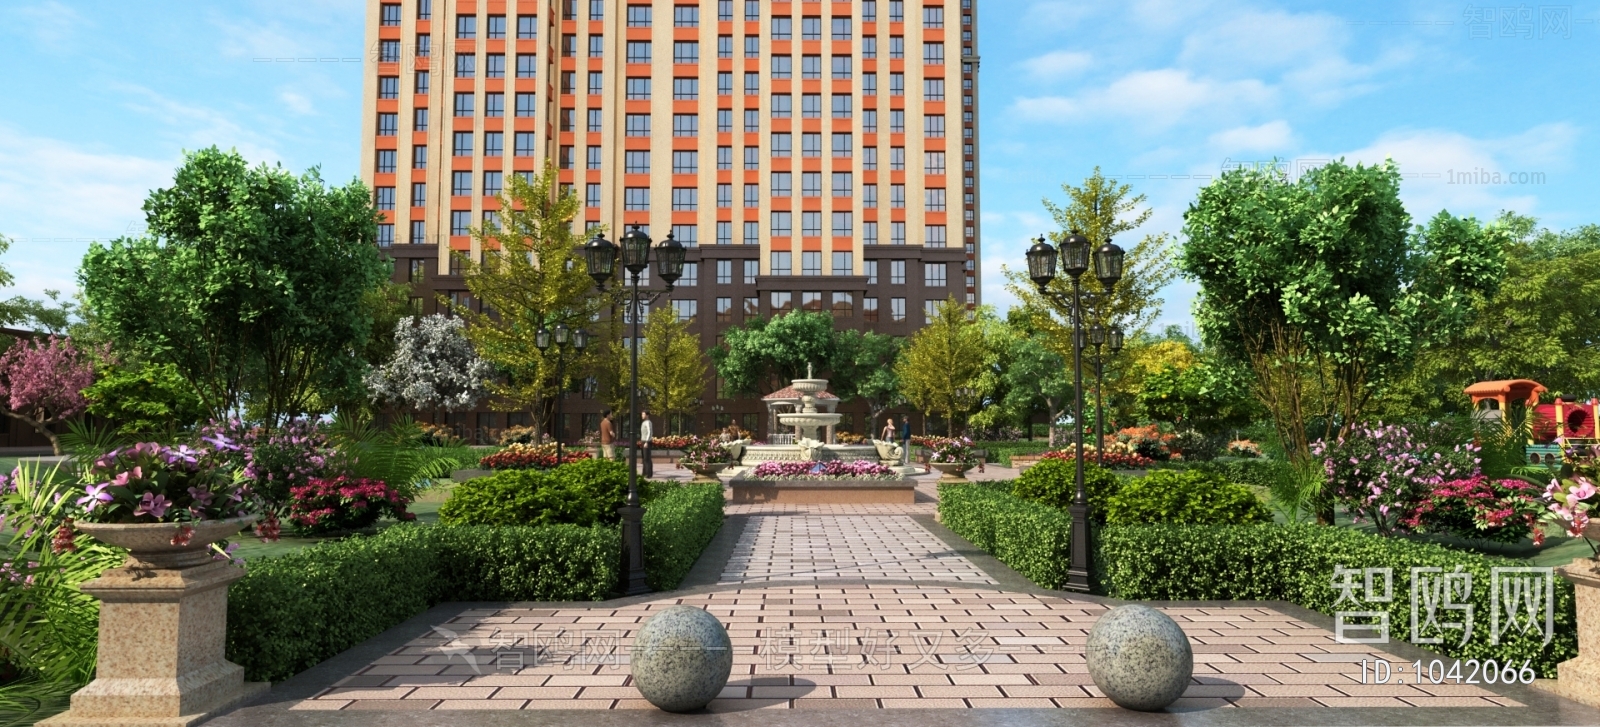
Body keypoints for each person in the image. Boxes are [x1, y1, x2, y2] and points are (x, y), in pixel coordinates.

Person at [639, 410, 654, 477]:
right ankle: (644, 472)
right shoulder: (644, 422)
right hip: (643, 441)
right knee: (644, 458)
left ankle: (649, 473)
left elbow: (649, 432)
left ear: (647, 415)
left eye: (643, 414)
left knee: (647, 458)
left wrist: (647, 442)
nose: (642, 416)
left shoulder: (648, 422)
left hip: (646, 442)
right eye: (642, 414)